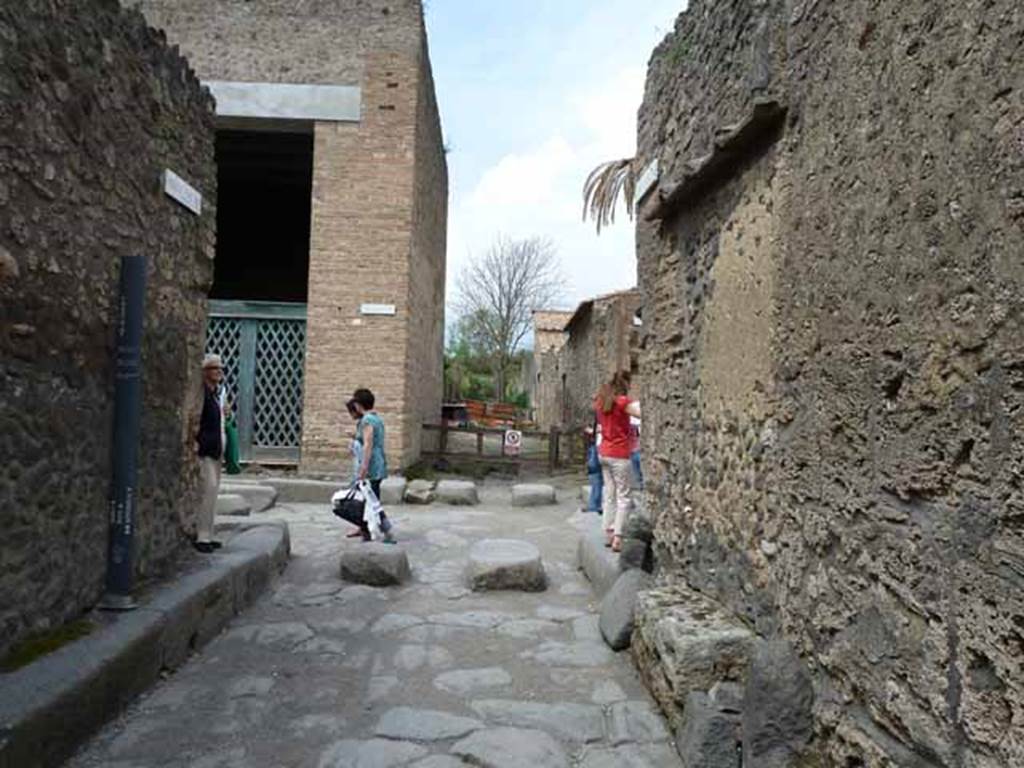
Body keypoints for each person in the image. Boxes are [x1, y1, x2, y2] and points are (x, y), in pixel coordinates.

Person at [594, 370, 641, 552]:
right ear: (625, 385)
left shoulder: (601, 402)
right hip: (619, 454)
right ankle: (618, 537)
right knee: (624, 496)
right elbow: (640, 413)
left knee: (609, 495)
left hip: (603, 452)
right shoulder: (622, 402)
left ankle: (608, 533)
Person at [351, 388, 394, 542]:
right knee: (367, 497)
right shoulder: (377, 419)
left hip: (371, 464)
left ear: (358, 405)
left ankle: (385, 529)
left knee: (371, 499)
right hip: (378, 461)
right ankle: (363, 528)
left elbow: (368, 444)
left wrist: (364, 467)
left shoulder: (367, 421)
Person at [195, 354, 227, 553]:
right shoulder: (203, 396)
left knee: (214, 492)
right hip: (206, 448)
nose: (219, 372)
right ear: (206, 372)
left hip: (217, 449)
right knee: (209, 488)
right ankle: (202, 536)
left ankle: (209, 533)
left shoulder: (216, 394)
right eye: (215, 368)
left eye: (220, 368)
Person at [583, 422, 603, 514]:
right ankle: (594, 503)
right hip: (596, 445)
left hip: (602, 447)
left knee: (596, 474)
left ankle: (595, 504)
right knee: (594, 474)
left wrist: (594, 431)